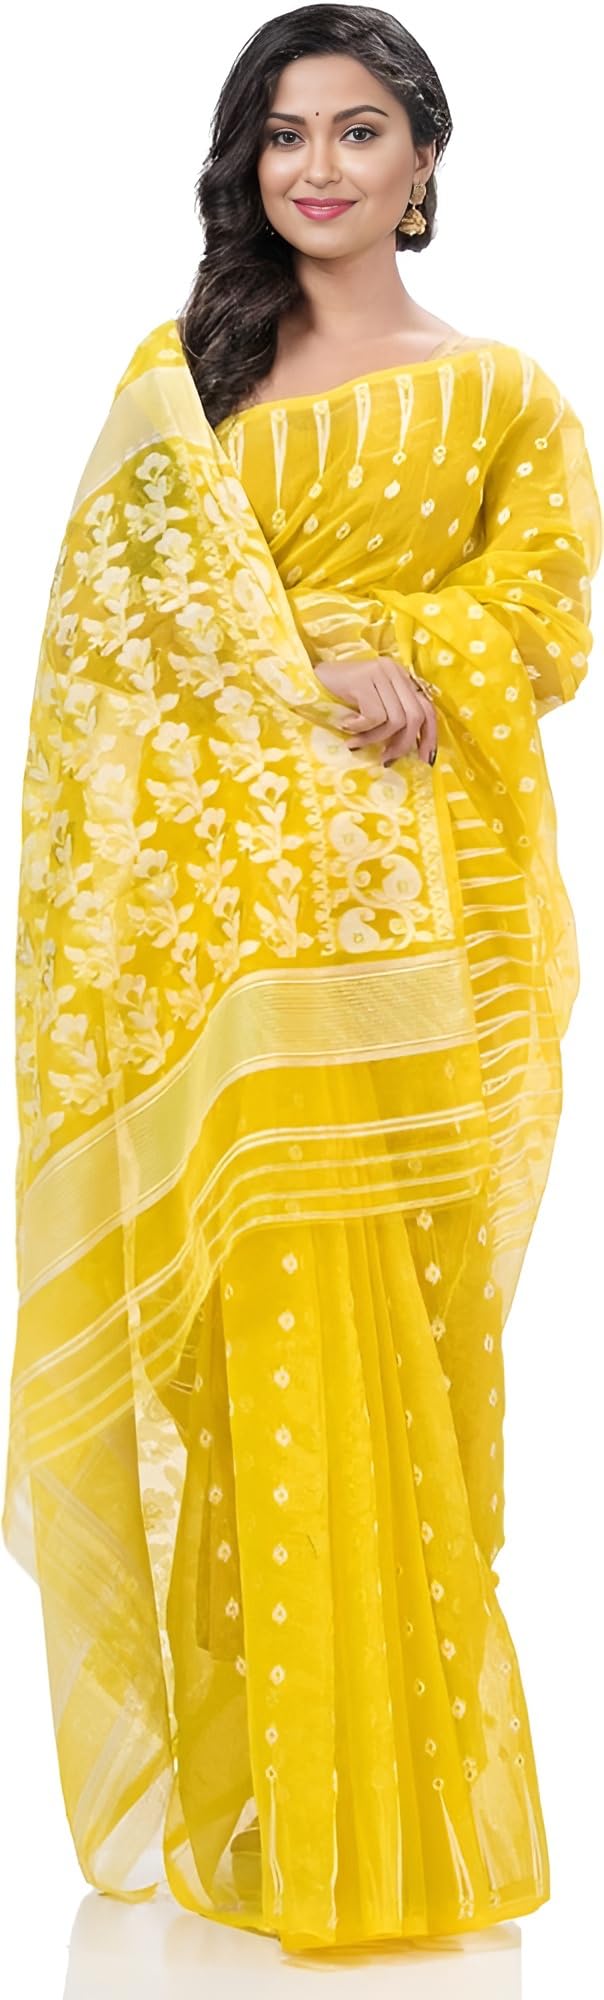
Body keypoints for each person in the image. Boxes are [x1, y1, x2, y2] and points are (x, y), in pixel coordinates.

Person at [2, 2, 601, 1958]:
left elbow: (546, 613)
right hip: (234, 953)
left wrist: (414, 657)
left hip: (434, 924)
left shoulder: (504, 395)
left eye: (356, 130)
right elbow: (106, 671)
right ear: (243, 165)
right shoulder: (179, 389)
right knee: (251, 1329)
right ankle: (271, 1802)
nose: (316, 166)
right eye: (281, 134)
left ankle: (403, 1807)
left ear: (425, 161)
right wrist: (284, 676)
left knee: (419, 1334)